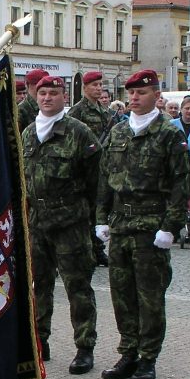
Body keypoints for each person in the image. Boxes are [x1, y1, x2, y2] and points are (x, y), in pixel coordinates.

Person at [95, 69, 190, 379]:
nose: (134, 97)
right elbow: (105, 177)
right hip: (121, 223)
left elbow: (180, 183)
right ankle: (128, 351)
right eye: (131, 93)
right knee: (122, 293)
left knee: (150, 295)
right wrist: (100, 217)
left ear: (156, 96)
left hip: (151, 224)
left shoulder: (168, 133)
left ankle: (148, 357)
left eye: (142, 92)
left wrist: (171, 227)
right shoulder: (118, 132)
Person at [23, 75, 102, 374]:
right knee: (38, 286)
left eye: (53, 93)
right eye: (42, 93)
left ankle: (84, 347)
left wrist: (92, 221)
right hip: (38, 224)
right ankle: (39, 342)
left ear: (64, 96)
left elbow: (96, 181)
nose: (46, 98)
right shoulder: (30, 133)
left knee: (77, 287)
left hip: (70, 224)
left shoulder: (80, 133)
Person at [66, 70, 114, 267]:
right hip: (84, 167)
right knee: (85, 211)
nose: (98, 88)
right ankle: (85, 249)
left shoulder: (105, 111)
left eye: (100, 85)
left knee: (99, 209)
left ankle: (98, 248)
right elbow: (71, 140)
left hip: (101, 166)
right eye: (94, 85)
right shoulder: (77, 111)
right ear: (85, 87)